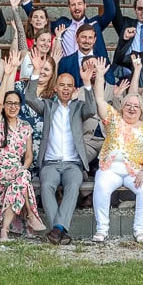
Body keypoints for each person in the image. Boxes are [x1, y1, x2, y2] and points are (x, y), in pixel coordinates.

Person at [25, 47, 98, 245]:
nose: (66, 89)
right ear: (55, 88)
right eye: (62, 85)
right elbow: (30, 98)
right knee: (47, 186)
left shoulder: (78, 107)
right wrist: (36, 72)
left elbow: (92, 109)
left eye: (69, 86)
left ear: (74, 90)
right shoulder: (48, 106)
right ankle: (59, 230)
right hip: (50, 163)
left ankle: (56, 230)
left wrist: (86, 83)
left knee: (73, 186)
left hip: (73, 164)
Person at [91, 58, 143, 243]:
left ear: (141, 110)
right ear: (122, 107)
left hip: (134, 170)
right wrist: (100, 76)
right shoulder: (114, 118)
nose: (132, 108)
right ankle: (102, 229)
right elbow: (99, 99)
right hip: (110, 168)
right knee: (101, 186)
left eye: (136, 106)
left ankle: (139, 230)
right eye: (128, 105)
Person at [0, 57, 45, 241]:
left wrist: (22, 169)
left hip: (15, 171)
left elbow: (29, 156)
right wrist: (7, 75)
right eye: (9, 103)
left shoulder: (25, 127)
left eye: (16, 104)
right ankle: (31, 216)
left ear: (20, 106)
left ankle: (5, 229)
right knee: (23, 179)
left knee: (22, 177)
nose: (12, 107)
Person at [24, 0, 117, 58]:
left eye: (79, 4)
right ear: (69, 7)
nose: (77, 8)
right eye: (73, 5)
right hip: (68, 67)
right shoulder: (61, 24)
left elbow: (111, 12)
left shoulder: (95, 23)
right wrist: (26, 0)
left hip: (93, 65)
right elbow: (40, 21)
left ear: (85, 5)